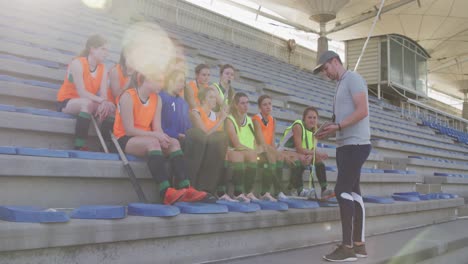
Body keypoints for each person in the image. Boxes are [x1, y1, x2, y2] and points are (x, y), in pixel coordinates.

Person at [113, 71, 207, 205]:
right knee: (153, 143)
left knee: (173, 142)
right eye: (158, 80)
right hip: (125, 138)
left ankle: (186, 188)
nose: (162, 84)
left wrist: (162, 136)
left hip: (146, 137)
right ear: (145, 79)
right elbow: (129, 130)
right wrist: (156, 136)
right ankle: (165, 192)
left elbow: (157, 128)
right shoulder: (128, 96)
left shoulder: (157, 99)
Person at [314, 50, 371, 262]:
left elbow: (363, 110)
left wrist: (338, 125)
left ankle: (347, 248)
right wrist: (329, 128)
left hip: (355, 144)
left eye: (325, 68)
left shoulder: (353, 78)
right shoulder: (340, 84)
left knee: (341, 190)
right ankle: (359, 245)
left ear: (335, 61)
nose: (325, 73)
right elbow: (343, 117)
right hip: (345, 145)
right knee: (354, 193)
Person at [56, 34, 115, 150]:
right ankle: (79, 146)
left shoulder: (103, 68)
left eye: (107, 50)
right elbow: (82, 92)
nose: (106, 53)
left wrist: (105, 103)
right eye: (103, 49)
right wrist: (102, 100)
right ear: (92, 49)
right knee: (86, 103)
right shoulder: (77, 63)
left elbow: (104, 94)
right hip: (67, 101)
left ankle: (107, 147)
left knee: (111, 107)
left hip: (89, 101)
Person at [277, 107, 334, 200]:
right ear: (304, 118)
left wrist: (313, 155)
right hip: (284, 150)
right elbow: (299, 148)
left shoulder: (314, 130)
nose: (312, 120)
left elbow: (310, 149)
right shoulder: (298, 126)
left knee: (317, 159)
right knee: (302, 159)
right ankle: (298, 190)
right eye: (310, 117)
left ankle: (324, 190)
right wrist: (315, 153)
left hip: (298, 152)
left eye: (314, 118)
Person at [188, 87, 231, 200]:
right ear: (202, 100)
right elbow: (205, 134)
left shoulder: (215, 115)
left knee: (223, 142)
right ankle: (195, 189)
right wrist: (221, 120)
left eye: (215, 97)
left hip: (211, 151)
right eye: (211, 97)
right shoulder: (195, 112)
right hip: (197, 150)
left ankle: (211, 191)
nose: (215, 100)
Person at [225, 92, 258, 202]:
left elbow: (252, 141)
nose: (246, 105)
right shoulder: (230, 119)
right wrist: (252, 150)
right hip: (231, 149)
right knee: (241, 156)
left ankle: (248, 192)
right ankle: (237, 193)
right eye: (242, 103)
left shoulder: (249, 120)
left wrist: (256, 149)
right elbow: (236, 144)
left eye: (247, 103)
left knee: (254, 156)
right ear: (235, 105)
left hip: (244, 150)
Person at [252, 95, 284, 201]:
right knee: (269, 158)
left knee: (279, 158)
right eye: (264, 104)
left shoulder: (272, 120)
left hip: (268, 149)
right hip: (257, 150)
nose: (268, 106)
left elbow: (272, 141)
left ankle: (278, 191)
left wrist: (276, 153)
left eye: (269, 104)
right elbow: (262, 143)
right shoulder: (256, 119)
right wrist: (274, 153)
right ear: (259, 107)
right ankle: (264, 192)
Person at [160, 70, 192, 142]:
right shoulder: (160, 98)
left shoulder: (184, 103)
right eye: (180, 81)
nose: (183, 85)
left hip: (184, 140)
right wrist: (176, 135)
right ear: (170, 82)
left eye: (184, 82)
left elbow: (188, 126)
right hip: (165, 139)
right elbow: (157, 125)